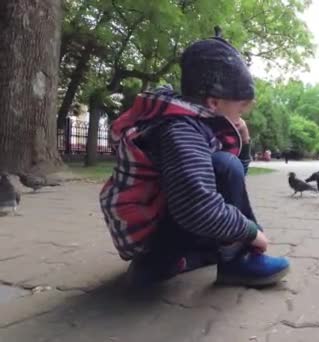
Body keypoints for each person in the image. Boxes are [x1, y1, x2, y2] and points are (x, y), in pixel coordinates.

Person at [99, 32, 289, 287]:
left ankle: (167, 263)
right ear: (213, 101)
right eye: (241, 106)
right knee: (224, 167)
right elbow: (196, 206)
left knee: (225, 167)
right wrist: (250, 233)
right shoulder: (181, 130)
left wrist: (244, 142)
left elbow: (230, 183)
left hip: (159, 226)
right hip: (155, 234)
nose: (243, 113)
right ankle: (234, 262)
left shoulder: (188, 119)